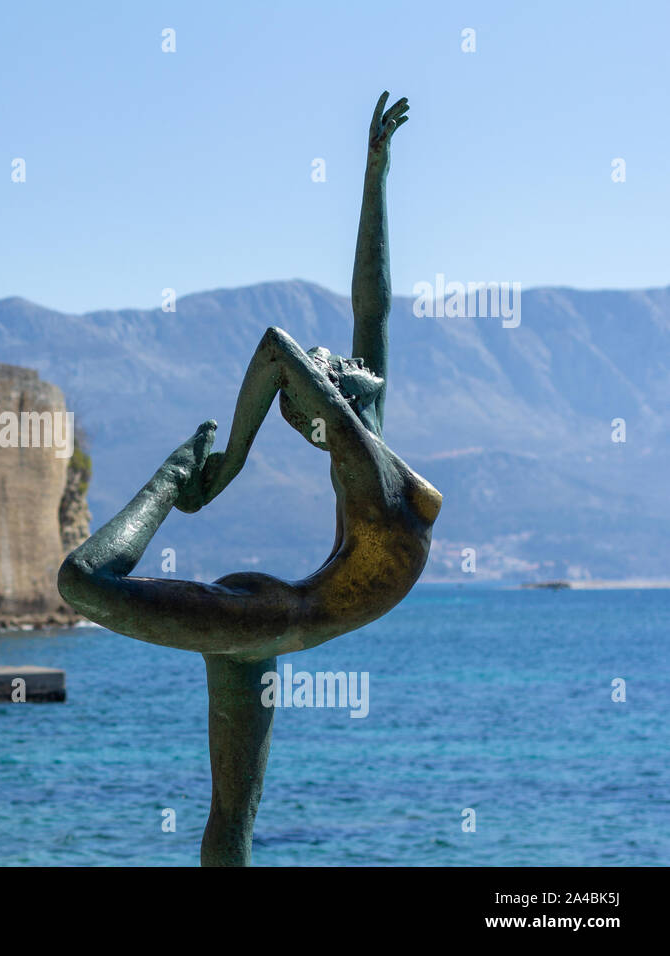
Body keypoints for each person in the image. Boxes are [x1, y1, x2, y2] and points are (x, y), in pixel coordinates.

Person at [57, 92, 441, 866]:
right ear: (327, 406)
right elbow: (277, 350)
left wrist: (375, 178)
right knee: (82, 584)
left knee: (234, 818)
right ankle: (174, 472)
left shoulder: (371, 445)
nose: (351, 366)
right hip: (266, 619)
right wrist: (218, 465)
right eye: (337, 374)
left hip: (272, 619)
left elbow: (376, 306)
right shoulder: (361, 462)